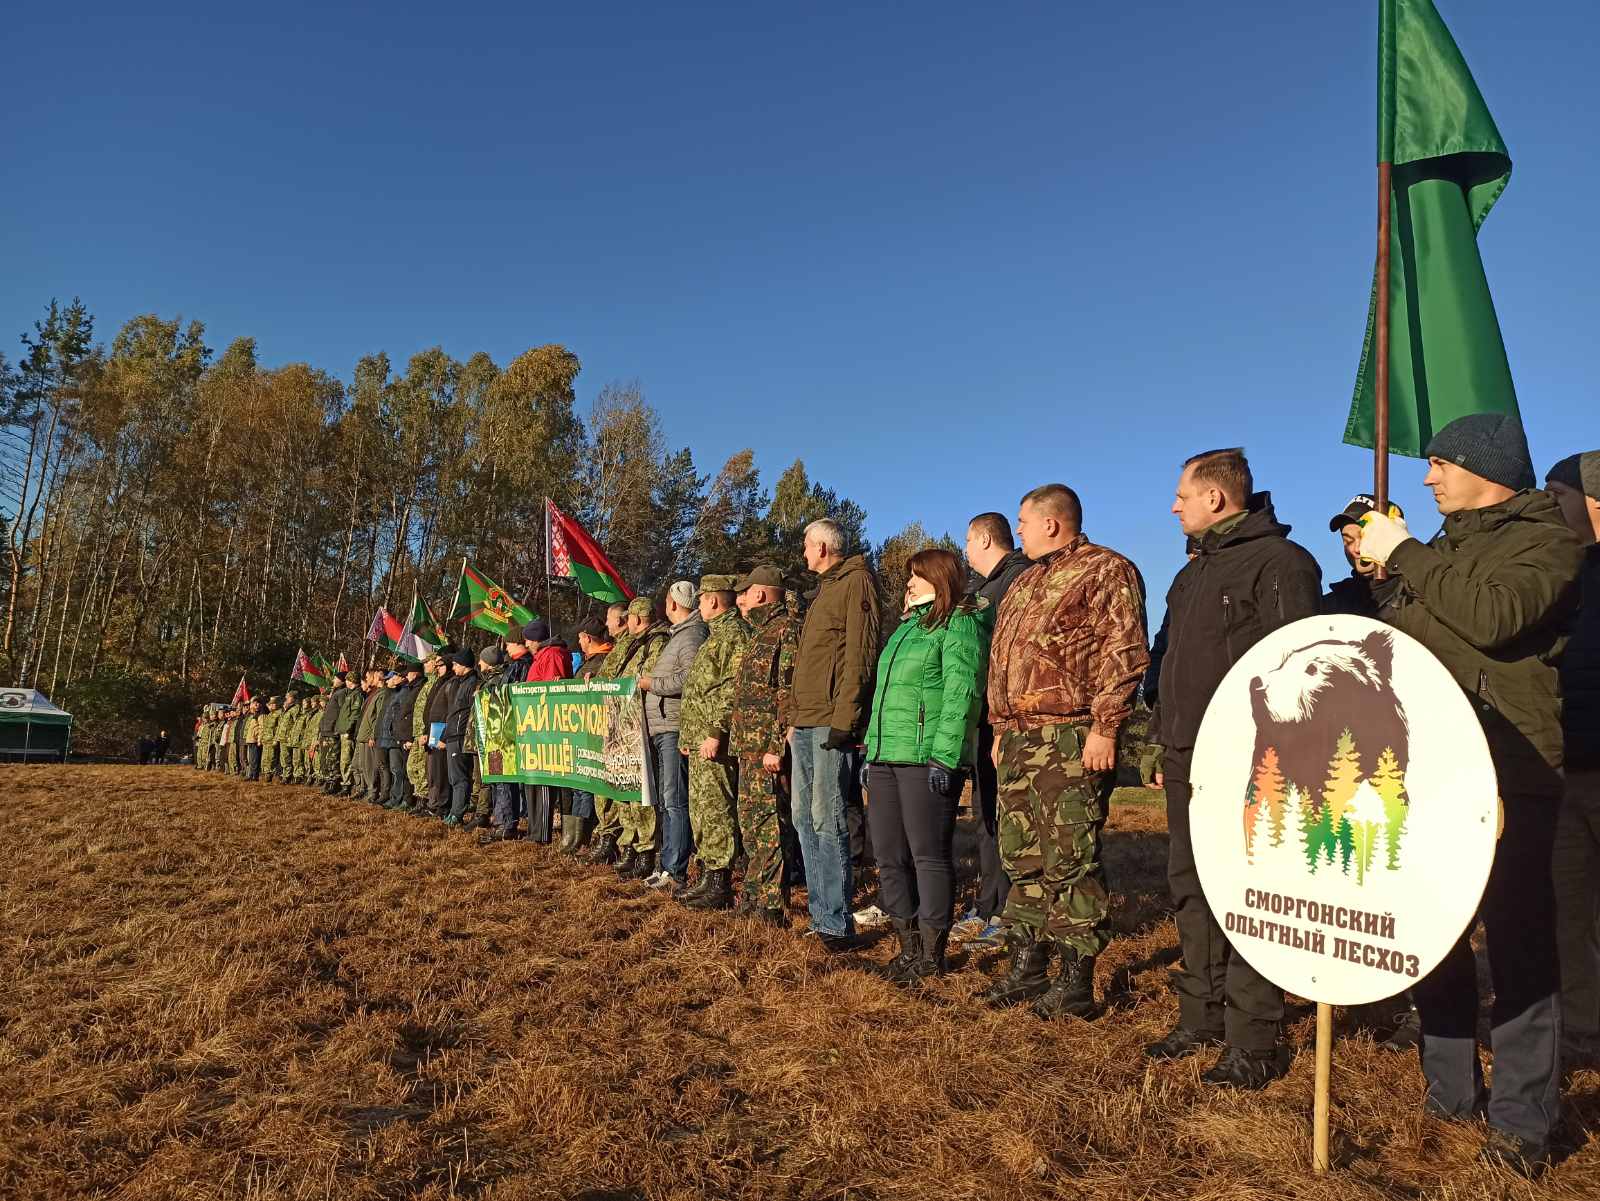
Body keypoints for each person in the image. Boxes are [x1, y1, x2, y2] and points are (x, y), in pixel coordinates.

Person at [1357, 415, 1582, 1174]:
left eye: (1439, 464)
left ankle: (1524, 1123)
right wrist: (1380, 578)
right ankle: (1449, 1091)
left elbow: (1492, 618)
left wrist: (1408, 554)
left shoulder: (1548, 540)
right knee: (1432, 935)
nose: (1427, 478)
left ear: (1484, 466)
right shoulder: (1445, 549)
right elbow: (1408, 640)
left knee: (1518, 945)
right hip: (1427, 769)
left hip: (1510, 772)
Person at [1144, 449, 1320, 1084]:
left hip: (1251, 760)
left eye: (1182, 494)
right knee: (1190, 884)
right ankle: (1201, 1016)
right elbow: (1169, 664)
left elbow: (1299, 671)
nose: (1173, 505)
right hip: (1185, 754)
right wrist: (1161, 738)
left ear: (1216, 498)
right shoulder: (1191, 573)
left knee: (1249, 894)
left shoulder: (1283, 565)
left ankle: (1253, 1038)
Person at [983, 483, 1149, 1021]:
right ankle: (1028, 965)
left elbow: (1123, 651)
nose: (1020, 532)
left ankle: (1076, 981)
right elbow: (1004, 661)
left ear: (1052, 522)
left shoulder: (1106, 570)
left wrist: (1106, 726)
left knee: (1069, 856)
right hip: (1019, 738)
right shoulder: (1025, 580)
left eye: (1024, 522)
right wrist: (1001, 727)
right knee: (1022, 854)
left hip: (1070, 736)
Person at [1319, 493, 1421, 1054]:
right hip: (1343, 759)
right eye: (1346, 535)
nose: (1353, 543)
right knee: (1351, 868)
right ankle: (1363, 987)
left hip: (1403, 758)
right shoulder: (1335, 601)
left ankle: (1415, 1001)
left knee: (1400, 875)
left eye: (1362, 532)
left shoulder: (1424, 585)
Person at [863, 548, 992, 982]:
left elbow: (962, 694)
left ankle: (932, 952)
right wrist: (871, 748)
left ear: (940, 579)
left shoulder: (959, 624)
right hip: (886, 757)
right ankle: (907, 945)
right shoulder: (904, 630)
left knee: (927, 856)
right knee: (889, 855)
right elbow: (884, 698)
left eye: (916, 577)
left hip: (926, 760)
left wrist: (946, 756)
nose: (908, 584)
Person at [789, 519, 881, 948]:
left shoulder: (857, 583)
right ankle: (821, 914)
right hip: (806, 720)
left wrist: (847, 720)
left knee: (828, 820)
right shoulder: (825, 589)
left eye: (807, 546)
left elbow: (860, 656)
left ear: (824, 547)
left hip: (831, 721)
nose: (804, 553)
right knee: (803, 817)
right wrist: (793, 719)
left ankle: (837, 923)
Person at [951, 511, 1033, 948]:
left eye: (967, 540)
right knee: (986, 817)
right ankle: (988, 904)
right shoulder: (979, 590)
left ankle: (1009, 912)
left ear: (984, 539)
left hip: (1009, 721)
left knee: (1010, 820)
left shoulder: (1017, 582)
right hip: (985, 720)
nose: (965, 549)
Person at [1547, 450, 1600, 1075]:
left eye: (1558, 498)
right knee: (1568, 907)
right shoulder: (1558, 577)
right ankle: (1583, 1028)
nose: (1549, 509)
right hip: (1564, 765)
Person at [676, 575, 753, 910]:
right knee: (703, 807)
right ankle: (709, 871)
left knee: (717, 806)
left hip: (714, 741)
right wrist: (689, 736)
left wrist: (715, 732)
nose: (700, 604)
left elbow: (730, 689)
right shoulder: (716, 635)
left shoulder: (734, 635)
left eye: (703, 597)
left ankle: (719, 881)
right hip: (698, 739)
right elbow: (700, 690)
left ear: (712, 600)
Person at [729, 567, 801, 925]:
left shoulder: (786, 629)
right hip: (748, 744)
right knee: (752, 822)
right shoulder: (759, 634)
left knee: (770, 821)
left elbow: (787, 692)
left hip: (767, 748)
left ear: (759, 595)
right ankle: (755, 893)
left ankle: (772, 903)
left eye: (744, 592)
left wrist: (777, 745)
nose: (739, 599)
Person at [637, 581, 709, 890]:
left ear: (673, 605)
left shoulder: (691, 635)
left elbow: (689, 678)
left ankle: (675, 869)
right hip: (662, 726)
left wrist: (652, 684)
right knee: (668, 800)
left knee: (674, 799)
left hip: (673, 726)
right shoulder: (677, 636)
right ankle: (667, 865)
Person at [612, 597, 670, 878]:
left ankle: (646, 848)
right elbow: (615, 673)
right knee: (625, 788)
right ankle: (629, 843)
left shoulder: (656, 641)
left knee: (642, 792)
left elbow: (644, 676)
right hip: (622, 726)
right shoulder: (631, 642)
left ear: (636, 618)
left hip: (641, 725)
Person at [577, 604, 628, 861]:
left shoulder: (610, 656)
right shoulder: (614, 653)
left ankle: (616, 842)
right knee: (599, 788)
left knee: (612, 788)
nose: (608, 625)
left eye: (610, 619)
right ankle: (605, 836)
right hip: (596, 730)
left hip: (614, 730)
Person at [565, 616, 615, 853]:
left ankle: (583, 836)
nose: (578, 640)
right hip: (581, 730)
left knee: (586, 784)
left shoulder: (602, 662)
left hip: (593, 732)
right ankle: (573, 835)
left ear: (587, 638)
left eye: (580, 637)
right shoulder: (589, 662)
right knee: (578, 784)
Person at [524, 619, 574, 844]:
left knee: (543, 781)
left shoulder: (552, 654)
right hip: (535, 727)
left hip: (547, 730)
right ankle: (534, 829)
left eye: (527, 639)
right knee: (533, 780)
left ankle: (541, 832)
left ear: (536, 639)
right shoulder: (541, 657)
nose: (525, 644)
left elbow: (550, 692)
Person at [404, 653, 445, 815]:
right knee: (412, 767)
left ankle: (423, 800)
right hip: (418, 733)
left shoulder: (435, 683)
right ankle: (420, 798)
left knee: (422, 768)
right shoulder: (428, 683)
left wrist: (425, 732)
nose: (425, 665)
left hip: (425, 733)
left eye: (427, 663)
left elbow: (432, 712)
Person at [442, 650, 480, 826]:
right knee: (453, 777)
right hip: (452, 733)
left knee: (459, 777)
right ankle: (454, 810)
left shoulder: (472, 683)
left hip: (460, 734)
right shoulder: (460, 683)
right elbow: (452, 712)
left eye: (456, 664)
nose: (453, 667)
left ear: (464, 665)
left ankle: (457, 813)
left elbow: (466, 712)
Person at [382, 664, 422, 809]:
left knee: (401, 770)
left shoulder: (408, 691)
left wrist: (405, 736)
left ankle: (404, 799)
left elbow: (406, 715)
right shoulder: (400, 691)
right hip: (397, 735)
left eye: (406, 674)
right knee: (398, 770)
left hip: (402, 736)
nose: (405, 676)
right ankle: (397, 798)